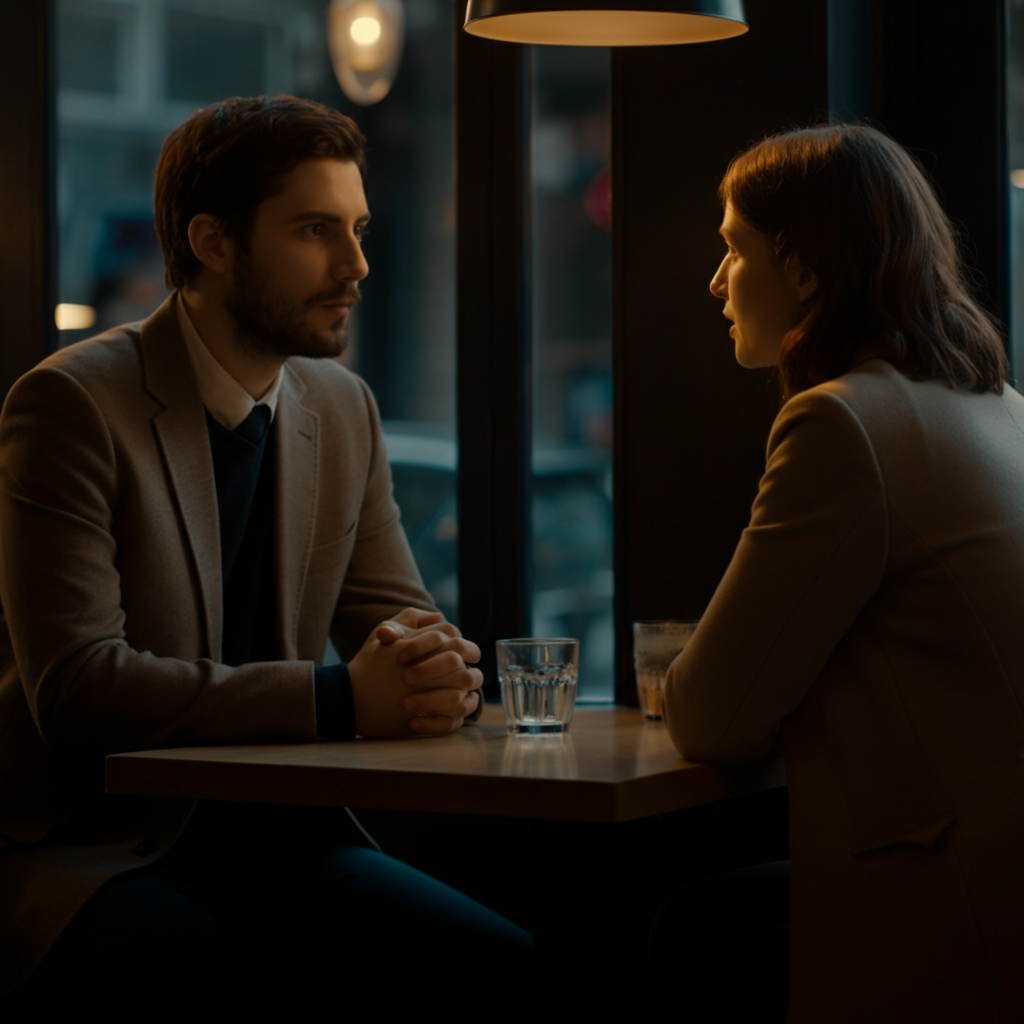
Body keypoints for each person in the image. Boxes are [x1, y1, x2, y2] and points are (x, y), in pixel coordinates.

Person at [0, 95, 530, 1017]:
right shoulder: (71, 405)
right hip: (96, 851)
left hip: (287, 843)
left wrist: (440, 673)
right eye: (317, 231)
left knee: (506, 967)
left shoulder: (341, 406)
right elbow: (78, 689)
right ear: (212, 241)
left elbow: (405, 629)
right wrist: (337, 697)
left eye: (359, 229)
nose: (357, 265)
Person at [652, 123, 1024, 1023]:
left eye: (734, 249)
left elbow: (710, 716)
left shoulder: (843, 424)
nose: (716, 282)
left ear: (806, 269)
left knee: (688, 930)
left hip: (953, 899)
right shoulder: (999, 405)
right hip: (1003, 867)